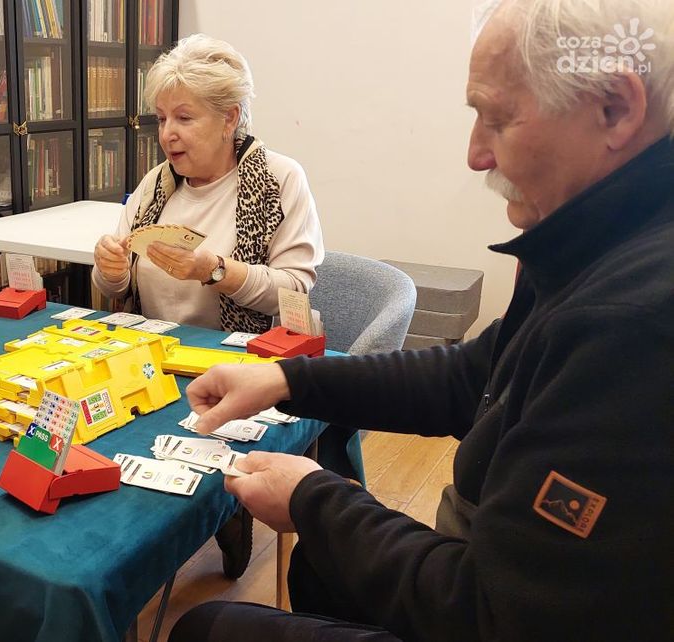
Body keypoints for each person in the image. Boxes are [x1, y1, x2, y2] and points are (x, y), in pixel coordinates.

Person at [171, 0, 673, 640]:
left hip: (489, 607)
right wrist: (288, 382)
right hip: (491, 571)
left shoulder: (633, 326)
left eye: (496, 118)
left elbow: (493, 613)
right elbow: (470, 376)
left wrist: (314, 496)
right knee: (321, 572)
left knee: (204, 627)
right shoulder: (593, 246)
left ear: (616, 109)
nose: (475, 155)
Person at [92, 34, 324, 335]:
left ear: (229, 119)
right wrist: (111, 269)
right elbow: (115, 288)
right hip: (152, 352)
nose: (166, 134)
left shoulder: (279, 181)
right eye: (162, 119)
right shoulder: (155, 185)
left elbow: (292, 294)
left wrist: (214, 271)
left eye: (184, 118)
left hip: (243, 363)